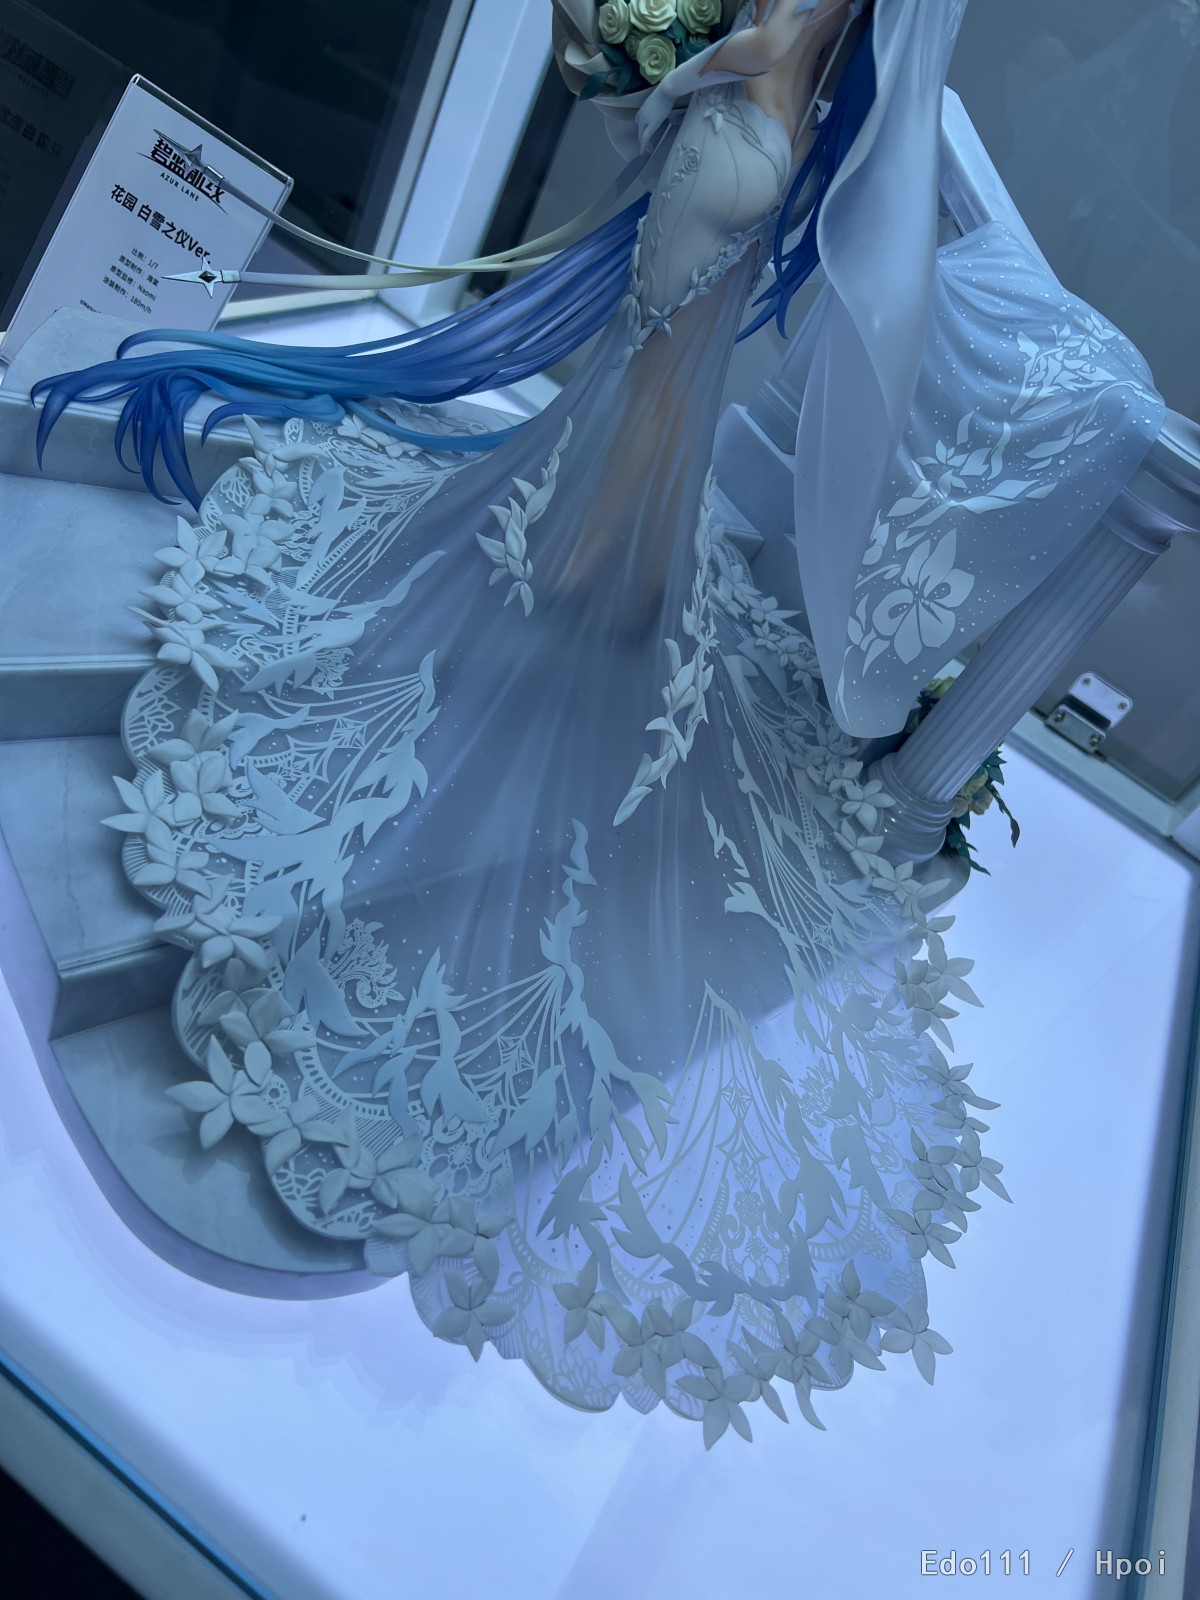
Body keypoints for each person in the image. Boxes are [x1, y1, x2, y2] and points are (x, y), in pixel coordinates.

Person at [26, 0, 1160, 1442]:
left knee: (617, 495)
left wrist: (664, 59)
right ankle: (586, 614)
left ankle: (582, 633)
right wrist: (647, 58)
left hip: (688, 282)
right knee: (602, 489)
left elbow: (740, 79)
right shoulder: (803, 66)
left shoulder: (786, 53)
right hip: (684, 275)